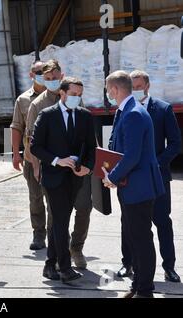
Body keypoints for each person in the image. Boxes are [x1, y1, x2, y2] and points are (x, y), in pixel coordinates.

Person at [114, 70, 181, 283]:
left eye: (138, 86)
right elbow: (115, 141)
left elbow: (175, 143)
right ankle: (128, 263)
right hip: (130, 180)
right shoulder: (122, 111)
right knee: (129, 223)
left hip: (157, 176)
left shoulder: (162, 109)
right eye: (131, 87)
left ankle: (169, 266)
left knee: (162, 221)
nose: (134, 90)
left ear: (147, 86)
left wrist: (155, 162)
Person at [103, 71, 165, 298]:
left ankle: (145, 291)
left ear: (115, 90)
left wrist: (112, 177)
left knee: (141, 239)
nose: (108, 94)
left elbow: (131, 156)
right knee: (133, 236)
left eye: (108, 90)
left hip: (138, 187)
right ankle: (138, 284)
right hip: (132, 186)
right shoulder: (127, 111)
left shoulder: (133, 114)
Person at [26, 60, 93, 269]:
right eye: (48, 78)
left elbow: (91, 143)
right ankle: (56, 262)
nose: (77, 99)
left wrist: (89, 167)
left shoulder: (82, 111)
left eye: (55, 77)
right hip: (53, 174)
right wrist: (42, 166)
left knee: (83, 209)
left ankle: (76, 248)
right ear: (63, 94)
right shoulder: (40, 107)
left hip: (78, 174)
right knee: (57, 218)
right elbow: (32, 142)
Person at [10, 61, 47, 250]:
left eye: (45, 71)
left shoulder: (58, 96)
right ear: (31, 74)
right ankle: (39, 233)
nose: (42, 74)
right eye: (38, 72)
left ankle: (58, 232)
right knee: (35, 197)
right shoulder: (23, 100)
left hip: (55, 159)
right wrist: (16, 154)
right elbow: (17, 127)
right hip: (32, 158)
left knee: (57, 199)